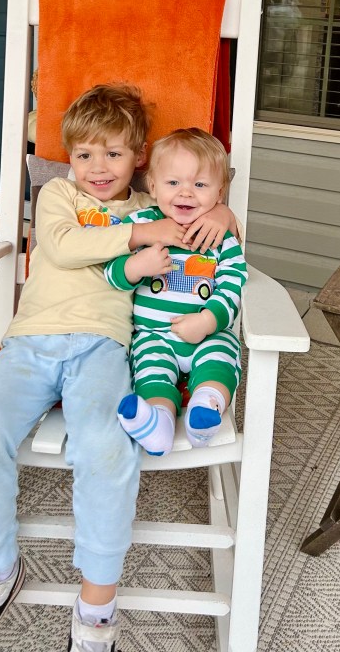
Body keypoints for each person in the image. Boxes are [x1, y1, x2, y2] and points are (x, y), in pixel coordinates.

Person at [0, 85, 236, 652]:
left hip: (104, 346)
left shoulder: (154, 204)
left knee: (105, 446)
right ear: (69, 157)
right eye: (84, 154)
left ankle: (97, 608)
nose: (98, 168)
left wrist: (222, 211)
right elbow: (63, 246)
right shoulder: (60, 194)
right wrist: (141, 236)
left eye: (114, 154)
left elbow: (199, 208)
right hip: (30, 341)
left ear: (140, 159)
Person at [105, 128, 247, 457]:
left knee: (220, 359)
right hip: (153, 335)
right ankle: (158, 421)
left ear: (219, 192)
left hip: (209, 333)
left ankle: (206, 406)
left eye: (200, 185)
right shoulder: (141, 225)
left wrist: (209, 320)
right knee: (150, 372)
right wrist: (136, 266)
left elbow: (233, 281)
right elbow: (111, 272)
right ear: (153, 186)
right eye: (173, 183)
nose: (186, 193)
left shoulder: (220, 236)